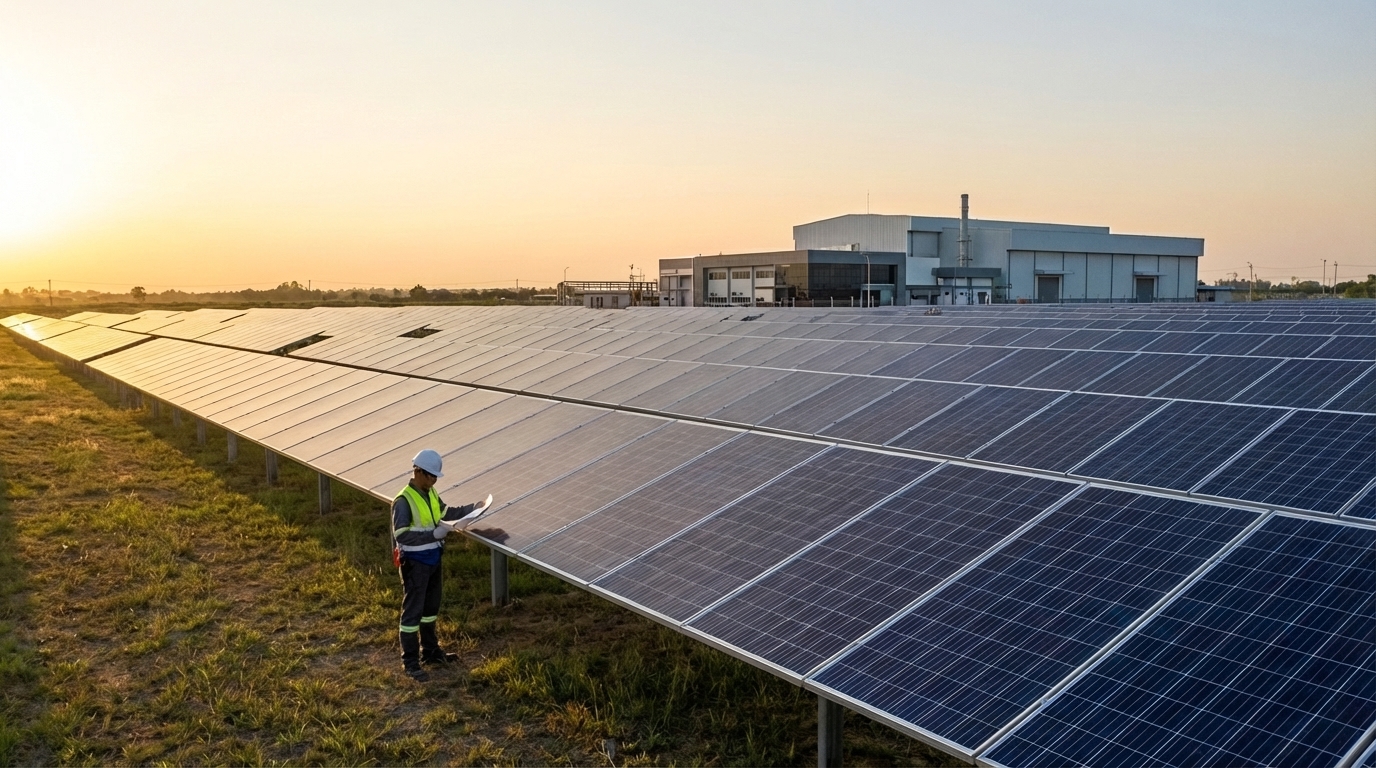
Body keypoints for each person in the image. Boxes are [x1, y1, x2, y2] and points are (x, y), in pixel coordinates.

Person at [391, 448, 476, 682]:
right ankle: (410, 662)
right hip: (415, 563)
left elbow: (446, 512)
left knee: (430, 610)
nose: (434, 480)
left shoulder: (430, 493)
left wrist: (472, 509)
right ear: (417, 471)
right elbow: (401, 535)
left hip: (433, 560)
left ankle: (430, 652)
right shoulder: (403, 501)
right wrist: (434, 535)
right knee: (413, 613)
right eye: (430, 475)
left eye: (436, 476)